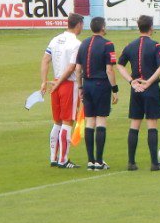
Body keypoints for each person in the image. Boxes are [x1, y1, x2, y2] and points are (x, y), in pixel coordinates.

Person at [117, 15, 160, 171]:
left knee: (135, 124)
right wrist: (150, 81)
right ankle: (154, 163)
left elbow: (119, 65)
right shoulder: (155, 45)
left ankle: (131, 162)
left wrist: (132, 81)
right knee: (152, 124)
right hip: (150, 89)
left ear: (138, 27)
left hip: (136, 89)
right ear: (151, 28)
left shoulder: (130, 45)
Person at [41, 13, 85, 168]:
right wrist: (60, 82)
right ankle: (63, 159)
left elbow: (46, 60)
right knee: (67, 121)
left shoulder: (55, 39)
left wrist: (44, 82)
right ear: (79, 24)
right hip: (67, 84)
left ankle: (53, 157)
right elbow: (72, 67)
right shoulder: (76, 43)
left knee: (57, 121)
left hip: (54, 84)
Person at [75, 17, 119, 171]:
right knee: (101, 121)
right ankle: (99, 161)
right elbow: (109, 70)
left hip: (87, 85)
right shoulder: (108, 44)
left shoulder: (83, 44)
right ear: (102, 28)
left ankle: (90, 161)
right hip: (101, 85)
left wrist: (80, 87)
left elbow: (78, 69)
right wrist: (115, 89)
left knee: (89, 122)